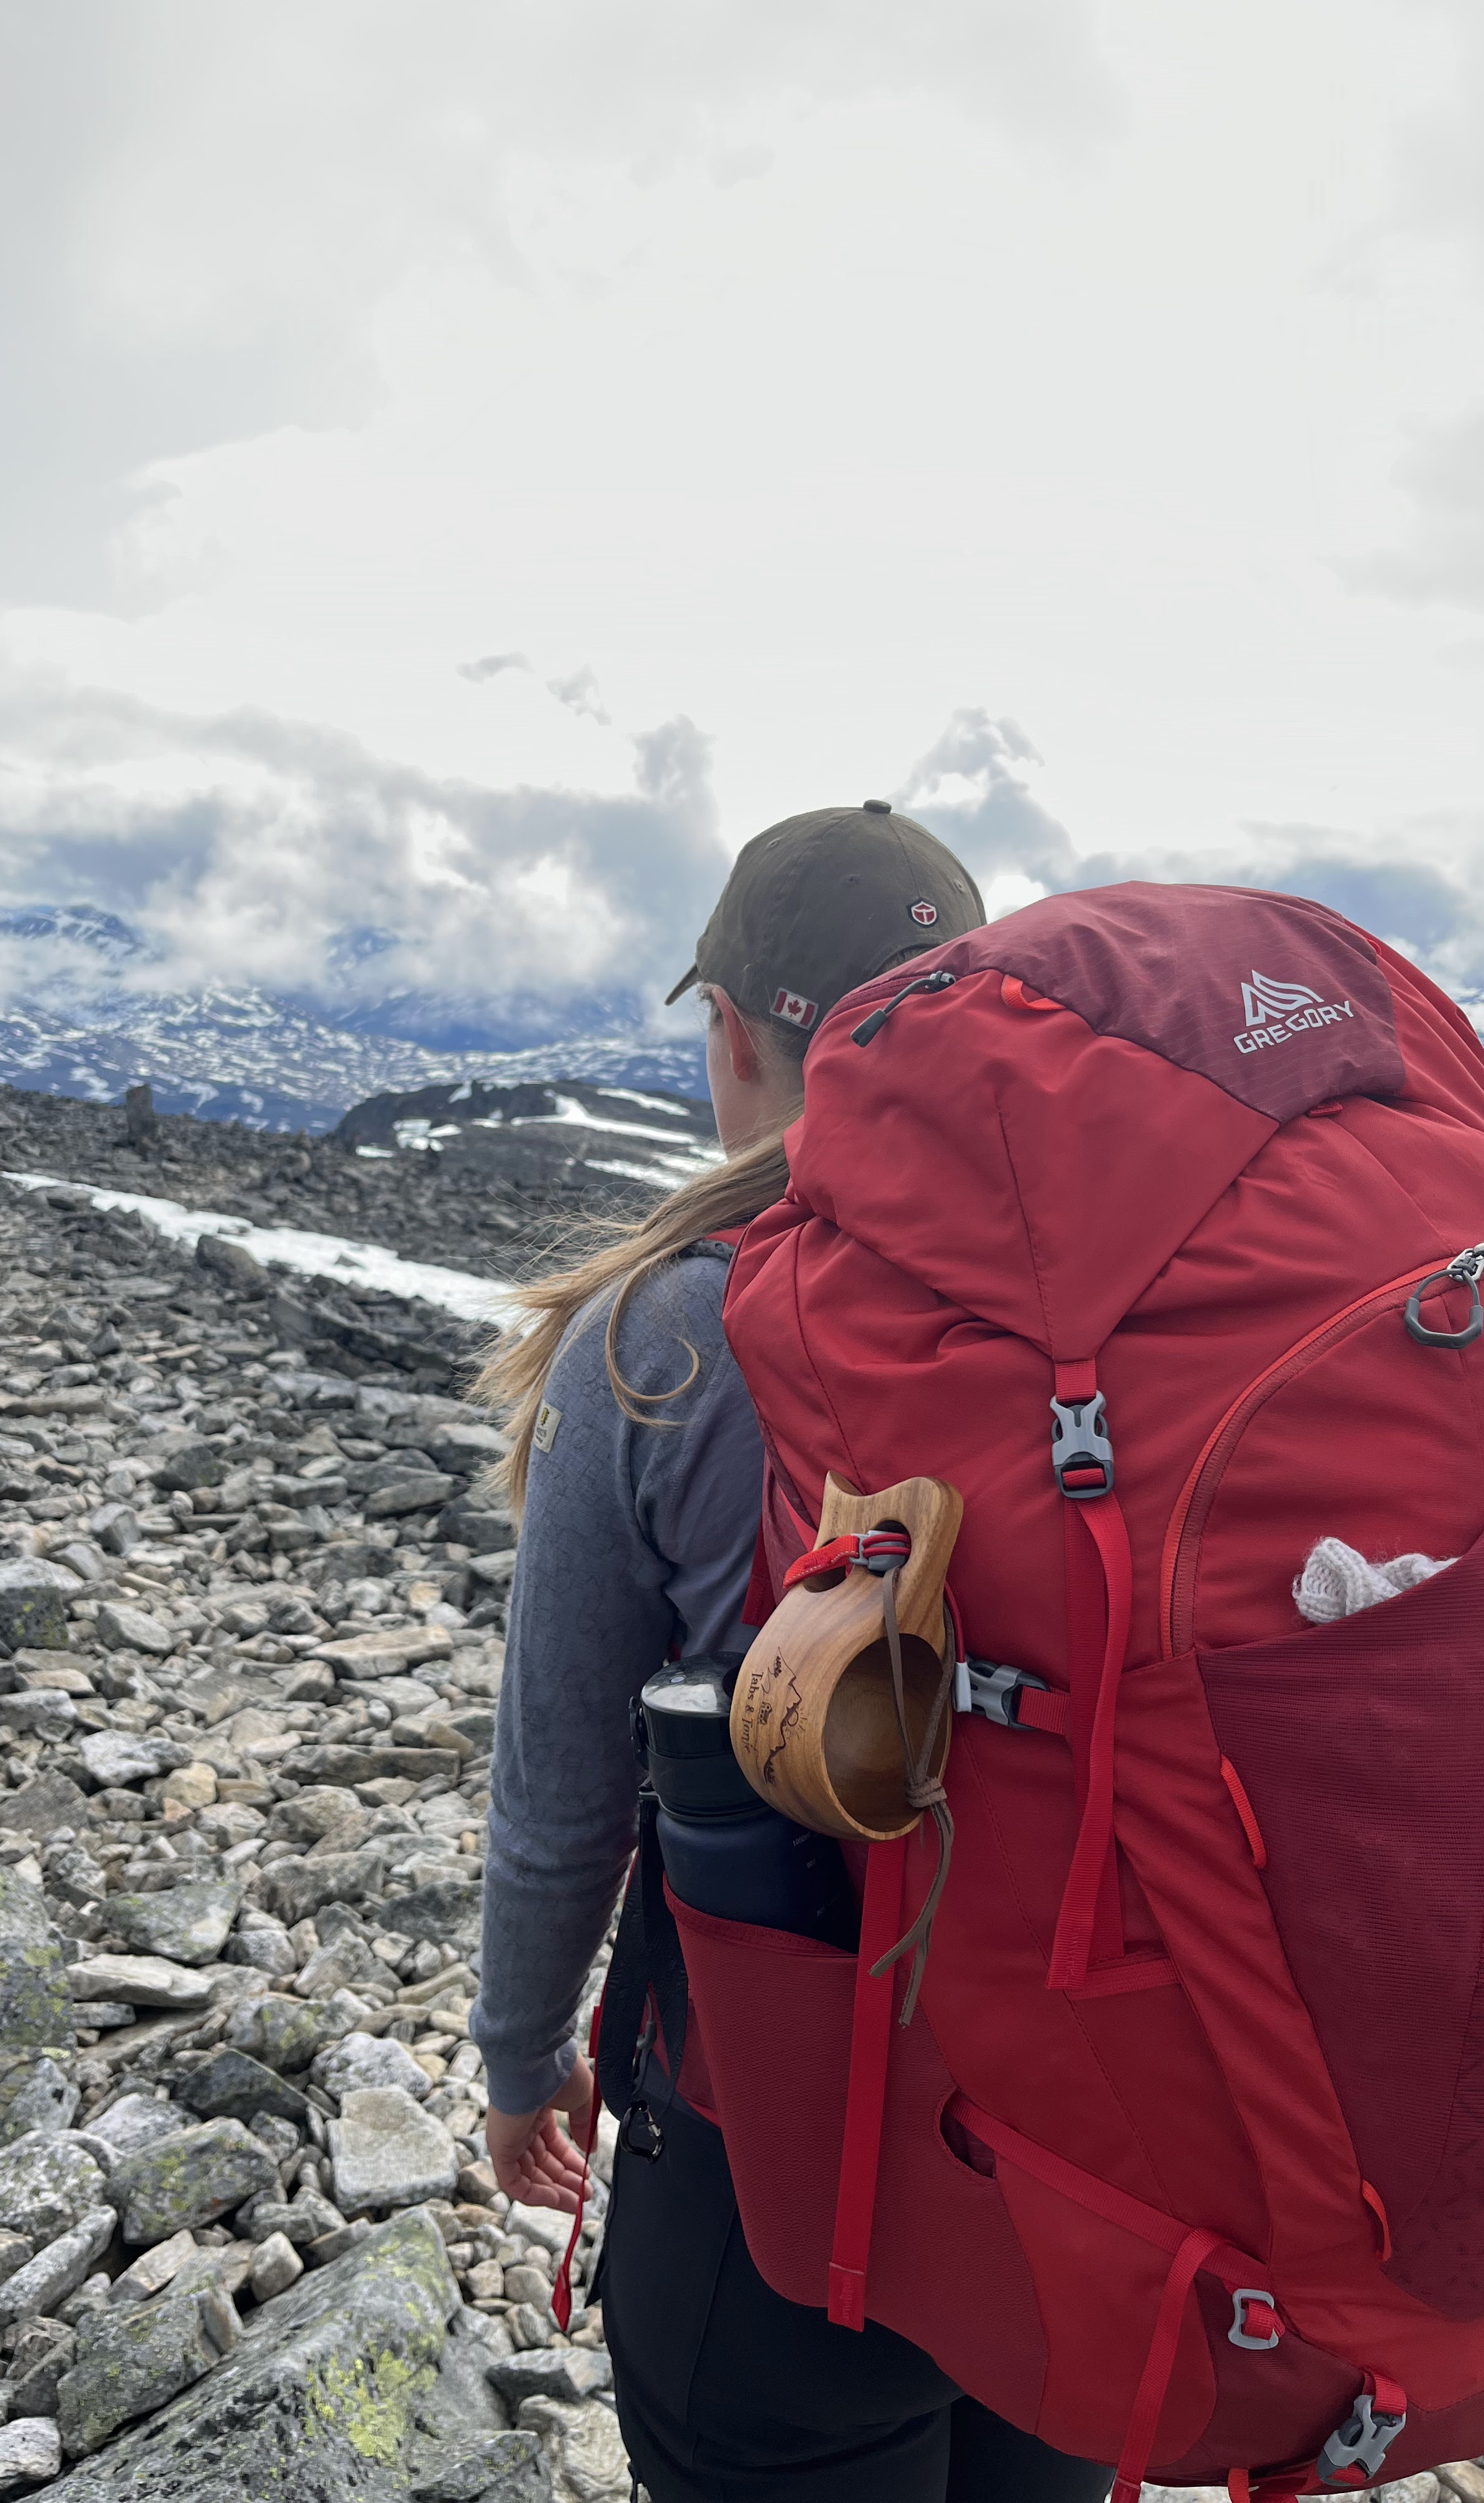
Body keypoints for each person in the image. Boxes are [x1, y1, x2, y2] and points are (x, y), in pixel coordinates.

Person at [469, 803, 1114, 2503]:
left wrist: (523, 2060)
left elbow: (562, 1795)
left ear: (735, 1035)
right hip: (1078, 2145)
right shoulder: (1112, 1313)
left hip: (773, 2150)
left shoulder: (662, 1338)